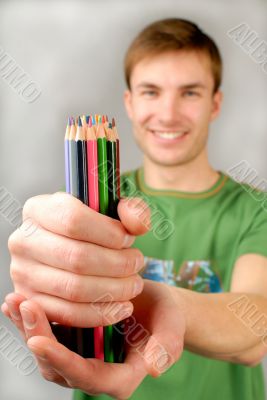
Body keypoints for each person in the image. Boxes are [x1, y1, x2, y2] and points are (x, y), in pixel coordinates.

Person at [2, 18, 267, 400]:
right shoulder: (88, 207)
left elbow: (256, 327)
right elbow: (56, 301)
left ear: (215, 103)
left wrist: (166, 303)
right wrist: (42, 281)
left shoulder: (254, 210)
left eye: (190, 93)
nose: (168, 113)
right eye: (151, 92)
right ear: (129, 102)